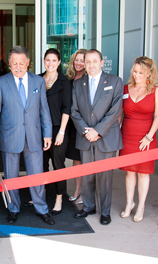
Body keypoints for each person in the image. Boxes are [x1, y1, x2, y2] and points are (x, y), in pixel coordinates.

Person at [0, 45, 54, 225]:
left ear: (28, 63)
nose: (18, 67)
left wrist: (48, 134)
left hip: (34, 136)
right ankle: (13, 208)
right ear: (9, 63)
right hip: (10, 136)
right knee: (11, 176)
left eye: (21, 63)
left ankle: (41, 208)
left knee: (36, 175)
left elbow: (44, 110)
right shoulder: (1, 83)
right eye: (14, 63)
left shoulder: (38, 82)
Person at [71, 49, 123, 225]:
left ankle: (105, 211)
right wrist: (87, 131)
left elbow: (115, 110)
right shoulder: (78, 84)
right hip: (86, 137)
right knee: (87, 175)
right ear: (84, 64)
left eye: (95, 61)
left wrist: (97, 131)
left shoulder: (115, 81)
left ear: (101, 63)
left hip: (105, 137)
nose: (91, 65)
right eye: (88, 61)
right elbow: (74, 110)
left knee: (105, 177)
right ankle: (88, 207)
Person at [119, 56, 158, 223]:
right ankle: (129, 203)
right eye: (135, 71)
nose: (136, 75)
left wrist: (149, 137)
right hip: (127, 135)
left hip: (146, 137)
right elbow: (119, 115)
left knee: (143, 174)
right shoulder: (125, 89)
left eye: (141, 72)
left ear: (149, 73)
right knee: (130, 172)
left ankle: (141, 206)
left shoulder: (156, 91)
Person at [40, 48, 71, 215]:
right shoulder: (37, 79)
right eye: (47, 60)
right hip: (39, 129)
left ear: (59, 62)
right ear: (44, 61)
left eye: (54, 60)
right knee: (41, 164)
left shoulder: (64, 82)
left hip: (57, 129)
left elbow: (67, 108)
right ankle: (42, 194)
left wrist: (61, 132)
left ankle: (59, 198)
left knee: (58, 165)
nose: (50, 63)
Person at [65, 49, 87, 205]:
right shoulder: (69, 80)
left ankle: (85, 194)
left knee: (86, 161)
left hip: (84, 125)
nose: (79, 63)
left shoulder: (88, 80)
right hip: (71, 125)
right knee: (76, 160)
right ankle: (77, 190)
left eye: (82, 60)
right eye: (77, 60)